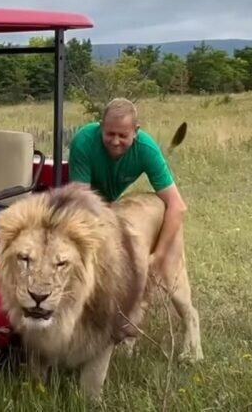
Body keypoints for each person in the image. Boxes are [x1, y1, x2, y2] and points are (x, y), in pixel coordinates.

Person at [69, 98, 187, 342]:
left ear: (136, 132)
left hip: (113, 205)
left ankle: (126, 319)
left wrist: (159, 255)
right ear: (100, 127)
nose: (115, 141)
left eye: (123, 135)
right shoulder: (84, 140)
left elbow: (177, 206)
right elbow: (81, 204)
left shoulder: (146, 149)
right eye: (109, 133)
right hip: (85, 203)